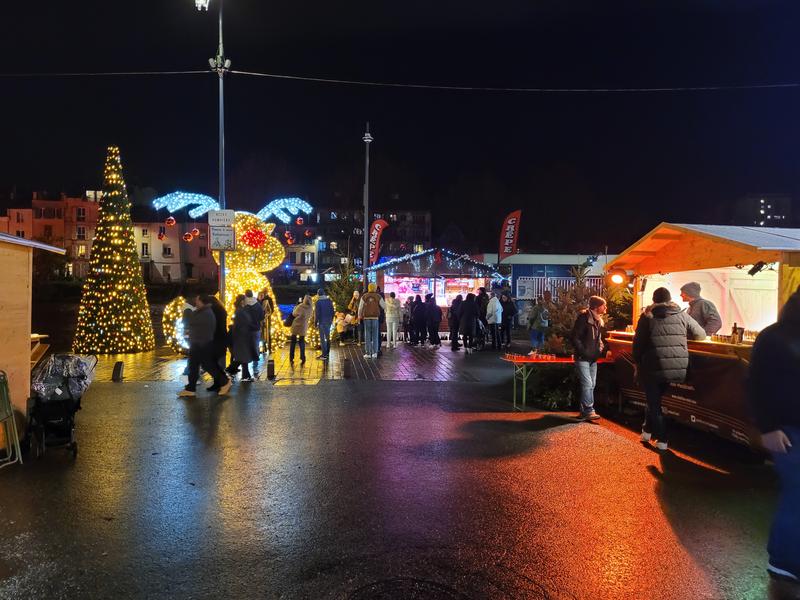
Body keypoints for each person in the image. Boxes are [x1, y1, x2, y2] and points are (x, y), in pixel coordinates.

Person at [748, 288, 800, 584]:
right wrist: (767, 427)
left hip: (786, 427)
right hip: (787, 430)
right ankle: (784, 560)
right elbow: (756, 384)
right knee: (797, 494)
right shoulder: (774, 338)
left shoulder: (773, 336)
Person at [632, 287, 706, 450]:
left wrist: (637, 361)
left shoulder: (646, 317)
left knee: (654, 402)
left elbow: (638, 344)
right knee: (654, 400)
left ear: (654, 300)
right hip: (677, 366)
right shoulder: (682, 315)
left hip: (652, 366)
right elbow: (701, 334)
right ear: (669, 299)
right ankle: (646, 431)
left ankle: (663, 439)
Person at [178, 295, 231, 397]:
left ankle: (224, 382)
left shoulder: (208, 312)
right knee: (196, 365)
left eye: (197, 300)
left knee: (209, 365)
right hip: (199, 343)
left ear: (203, 302)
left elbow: (197, 324)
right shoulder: (207, 311)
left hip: (203, 343)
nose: (196, 302)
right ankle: (191, 388)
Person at [570, 295, 607, 420]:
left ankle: (583, 411)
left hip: (593, 358)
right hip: (583, 357)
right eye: (603, 305)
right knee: (587, 383)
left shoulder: (597, 320)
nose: (605, 308)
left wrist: (599, 349)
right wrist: (584, 351)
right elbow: (575, 337)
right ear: (596, 307)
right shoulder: (584, 318)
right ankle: (589, 410)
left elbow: (598, 338)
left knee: (591, 384)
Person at [228, 294, 257, 381]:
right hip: (242, 337)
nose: (247, 301)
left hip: (242, 337)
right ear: (242, 302)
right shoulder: (240, 312)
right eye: (245, 299)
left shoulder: (240, 311)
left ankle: (245, 375)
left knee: (243, 357)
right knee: (242, 358)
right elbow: (242, 324)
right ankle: (230, 371)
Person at [358, 283, 386, 358]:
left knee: (367, 335)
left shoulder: (364, 296)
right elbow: (384, 306)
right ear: (375, 288)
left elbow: (360, 308)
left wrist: (359, 316)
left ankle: (368, 353)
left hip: (366, 318)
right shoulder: (378, 296)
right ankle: (375, 353)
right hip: (375, 318)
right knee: (375, 335)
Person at [203, 294, 229, 371]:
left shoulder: (212, 310)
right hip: (222, 336)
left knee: (214, 360)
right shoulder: (221, 309)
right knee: (219, 359)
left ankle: (221, 379)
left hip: (215, 337)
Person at [244, 290, 264, 377]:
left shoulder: (244, 305)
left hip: (246, 329)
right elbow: (261, 316)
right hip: (256, 328)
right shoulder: (257, 304)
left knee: (246, 347)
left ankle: (245, 368)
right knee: (255, 347)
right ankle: (255, 367)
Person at [289, 295, 313, 364]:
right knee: (301, 342)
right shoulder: (310, 308)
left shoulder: (300, 306)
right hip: (303, 326)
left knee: (293, 342)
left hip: (296, 325)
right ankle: (303, 357)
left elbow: (294, 313)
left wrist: (296, 306)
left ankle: (291, 358)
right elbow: (310, 316)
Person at [314, 288, 335, 360]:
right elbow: (333, 312)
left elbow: (317, 314)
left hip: (322, 322)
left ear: (318, 294)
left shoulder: (318, 302)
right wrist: (331, 320)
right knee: (328, 337)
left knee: (322, 339)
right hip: (328, 322)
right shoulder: (329, 301)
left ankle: (324, 355)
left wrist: (315, 322)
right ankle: (327, 353)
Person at [259, 289, 275, 354]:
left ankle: (264, 348)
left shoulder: (262, 300)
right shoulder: (269, 299)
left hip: (263, 319)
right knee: (268, 334)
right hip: (268, 319)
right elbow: (271, 310)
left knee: (263, 334)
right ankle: (268, 348)